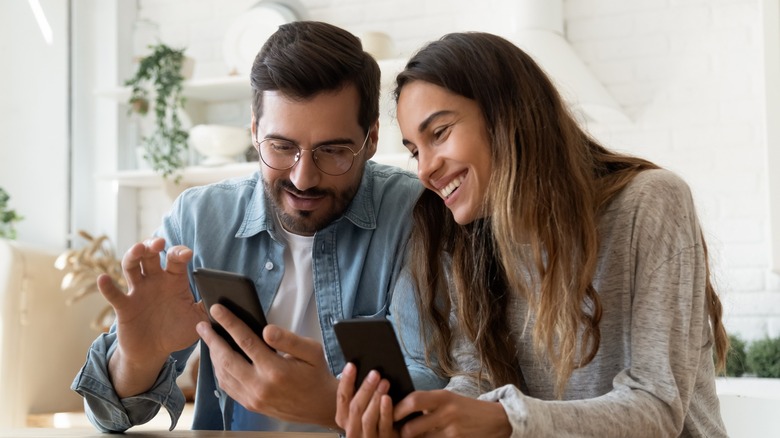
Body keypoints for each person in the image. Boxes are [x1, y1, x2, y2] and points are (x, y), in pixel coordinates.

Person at [335, 31, 729, 437]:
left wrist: (506, 419)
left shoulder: (650, 203)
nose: (424, 170)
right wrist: (427, 419)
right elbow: (479, 381)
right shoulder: (468, 242)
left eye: (439, 133)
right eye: (415, 151)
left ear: (506, 114)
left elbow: (658, 407)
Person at [71, 21, 445, 433]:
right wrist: (138, 359)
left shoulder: (417, 215)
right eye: (281, 147)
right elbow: (109, 415)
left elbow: (436, 387)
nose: (303, 178)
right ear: (254, 132)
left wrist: (330, 403)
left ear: (371, 138)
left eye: (333, 151)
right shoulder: (198, 220)